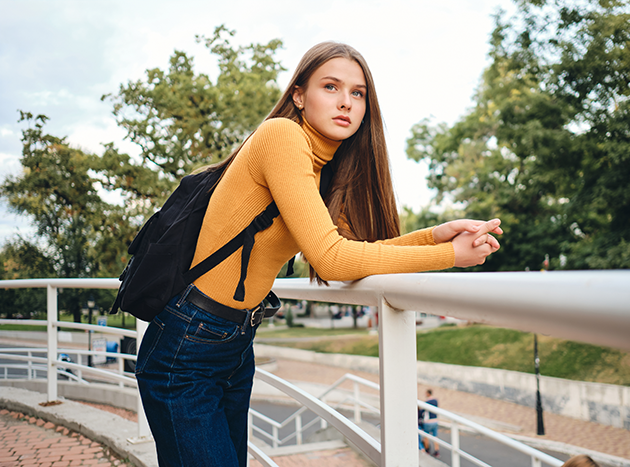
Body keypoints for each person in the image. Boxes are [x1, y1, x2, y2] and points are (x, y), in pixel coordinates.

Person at [135, 41, 503, 467]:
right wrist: (449, 257)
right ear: (298, 95)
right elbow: (331, 261)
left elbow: (353, 252)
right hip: (189, 343)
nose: (346, 101)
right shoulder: (283, 136)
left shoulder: (323, 171)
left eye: (358, 92)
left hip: (233, 344)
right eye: (331, 87)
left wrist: (434, 237)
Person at [421, 389, 440, 457]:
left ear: (428, 394)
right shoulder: (435, 401)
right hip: (435, 420)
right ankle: (437, 451)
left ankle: (427, 450)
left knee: (426, 436)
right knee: (435, 436)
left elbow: (422, 412)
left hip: (428, 422)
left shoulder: (426, 402)